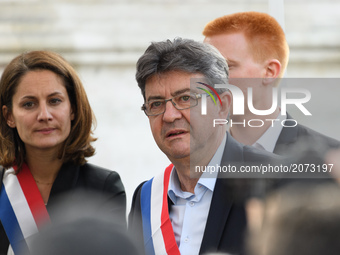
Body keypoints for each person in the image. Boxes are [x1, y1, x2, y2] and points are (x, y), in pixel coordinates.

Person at [128, 38, 279, 255]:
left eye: (186, 98)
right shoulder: (145, 198)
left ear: (223, 105)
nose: (169, 116)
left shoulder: (273, 179)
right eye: (156, 104)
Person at [0, 51, 126, 255]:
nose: (44, 115)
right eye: (29, 104)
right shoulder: (3, 186)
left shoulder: (103, 188)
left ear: (73, 109)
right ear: (9, 116)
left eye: (54, 101)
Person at [203, 12, 339, 155]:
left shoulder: (329, 160)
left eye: (226, 66)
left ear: (269, 71)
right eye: (203, 69)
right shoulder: (195, 160)